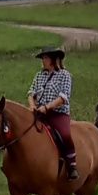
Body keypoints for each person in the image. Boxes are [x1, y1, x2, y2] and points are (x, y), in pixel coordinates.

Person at [28, 46, 78, 181]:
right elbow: (31, 93)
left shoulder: (65, 75)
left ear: (53, 59)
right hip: (39, 114)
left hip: (58, 114)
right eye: (43, 58)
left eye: (45, 58)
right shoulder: (39, 75)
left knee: (65, 134)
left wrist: (47, 107)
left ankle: (71, 165)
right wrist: (33, 106)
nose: (43, 61)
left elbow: (63, 98)